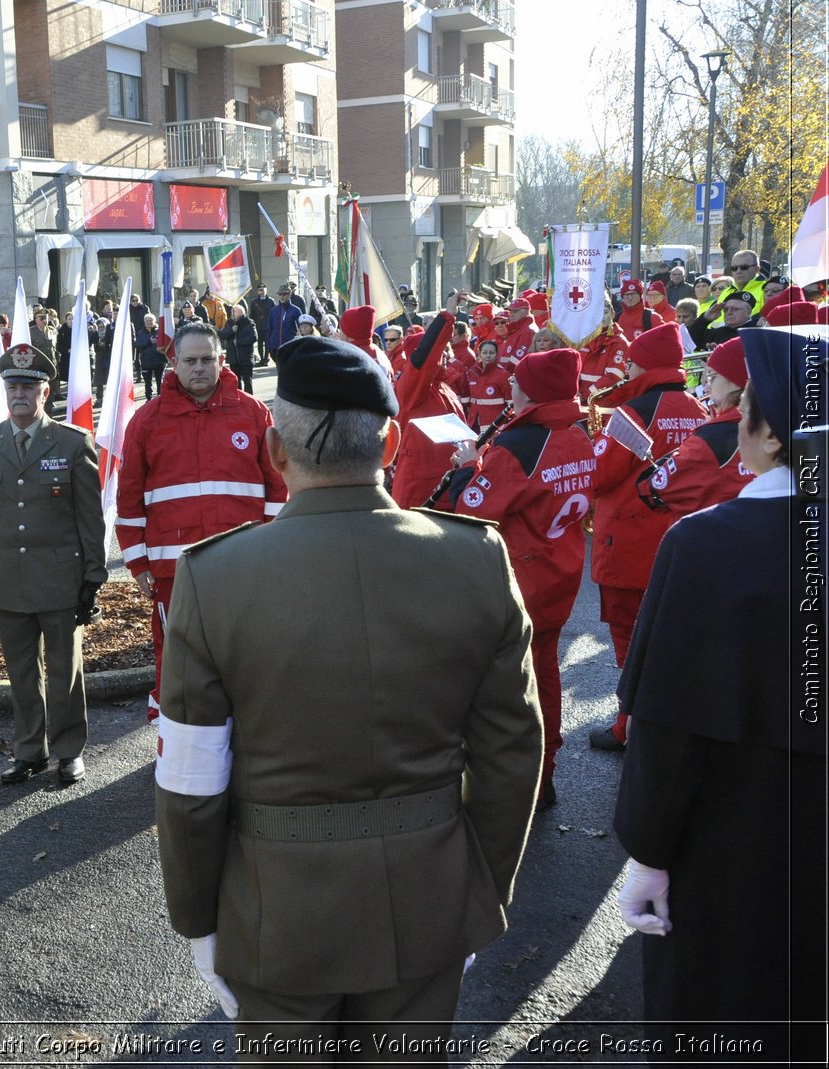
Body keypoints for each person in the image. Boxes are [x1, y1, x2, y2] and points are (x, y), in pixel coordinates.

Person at [156, 334, 542, 1056]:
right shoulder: (476, 559)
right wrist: (478, 892)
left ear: (274, 450)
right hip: (430, 899)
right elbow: (512, 755)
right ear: (391, 441)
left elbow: (189, 781)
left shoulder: (214, 578)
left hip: (274, 916)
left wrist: (199, 921)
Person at [612, 330, 825, 1062]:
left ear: (767, 432)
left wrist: (646, 852)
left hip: (732, 852)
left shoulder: (706, 543)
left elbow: (667, 727)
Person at [115, 320, 285, 723]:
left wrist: (272, 552)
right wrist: (139, 564)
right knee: (176, 657)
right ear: (173, 364)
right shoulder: (148, 419)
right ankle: (174, 741)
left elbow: (279, 489)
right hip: (175, 570)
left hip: (243, 566)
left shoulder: (253, 412)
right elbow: (129, 497)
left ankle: (248, 739)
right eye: (190, 360)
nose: (199, 368)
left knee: (246, 653)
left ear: (221, 360)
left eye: (208, 359)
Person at [448, 347, 594, 808]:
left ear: (529, 391)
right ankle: (545, 771)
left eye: (517, 380)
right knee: (545, 674)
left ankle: (508, 782)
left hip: (518, 582)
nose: (510, 384)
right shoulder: (579, 432)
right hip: (561, 575)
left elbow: (471, 510)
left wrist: (467, 466)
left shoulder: (521, 444)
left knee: (501, 686)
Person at [0, 343, 107, 786]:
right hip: (6, 578)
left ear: (45, 392)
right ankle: (30, 752)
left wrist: (93, 578)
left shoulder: (71, 442)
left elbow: (91, 519)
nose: (19, 394)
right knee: (22, 675)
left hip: (61, 580)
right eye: (13, 387)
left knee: (65, 671)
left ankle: (68, 751)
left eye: (28, 386)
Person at [586, 322, 708, 753]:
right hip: (679, 537)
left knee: (629, 641)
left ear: (647, 366)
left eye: (633, 363)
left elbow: (599, 475)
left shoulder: (634, 412)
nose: (627, 369)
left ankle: (628, 727)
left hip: (630, 541)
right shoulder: (696, 405)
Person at [636, 336, 755, 518]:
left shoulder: (713, 437)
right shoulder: (776, 423)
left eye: (712, 377)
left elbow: (652, 490)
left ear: (737, 382)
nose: (706, 387)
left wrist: (674, 455)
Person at [389, 291, 473, 508]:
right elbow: (425, 359)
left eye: (446, 350)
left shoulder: (446, 388)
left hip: (449, 483)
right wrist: (448, 316)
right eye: (440, 352)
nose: (445, 355)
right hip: (420, 489)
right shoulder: (411, 386)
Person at [579, 301, 630, 404]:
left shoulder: (619, 342)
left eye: (605, 312)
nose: (602, 317)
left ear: (613, 314)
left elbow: (613, 377)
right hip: (580, 402)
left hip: (603, 405)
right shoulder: (583, 339)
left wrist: (586, 395)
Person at [462, 338, 512, 431]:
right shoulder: (472, 372)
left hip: (494, 427)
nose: (488, 356)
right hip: (473, 424)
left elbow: (511, 403)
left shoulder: (503, 375)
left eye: (491, 353)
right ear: (479, 354)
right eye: (484, 353)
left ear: (497, 354)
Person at [689, 290, 757, 349]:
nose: (729, 312)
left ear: (748, 312)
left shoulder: (755, 333)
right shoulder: (719, 332)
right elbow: (690, 342)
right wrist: (704, 319)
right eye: (726, 309)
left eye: (735, 309)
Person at [219, 303, 258, 393]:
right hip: (233, 358)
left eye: (234, 312)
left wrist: (239, 342)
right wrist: (232, 330)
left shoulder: (249, 322)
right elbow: (222, 335)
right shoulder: (229, 322)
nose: (232, 313)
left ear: (240, 313)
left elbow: (253, 337)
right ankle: (239, 400)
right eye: (232, 311)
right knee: (236, 382)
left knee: (247, 382)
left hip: (245, 358)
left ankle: (249, 401)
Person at [135, 313, 168, 401]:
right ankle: (148, 400)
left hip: (159, 361)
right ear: (144, 322)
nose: (149, 322)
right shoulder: (140, 333)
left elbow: (166, 344)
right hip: (146, 362)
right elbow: (138, 345)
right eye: (147, 321)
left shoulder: (160, 331)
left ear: (155, 321)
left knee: (159, 382)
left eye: (151, 320)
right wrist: (149, 342)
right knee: (147, 383)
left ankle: (160, 399)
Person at [616, 280, 657, 344]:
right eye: (627, 294)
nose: (630, 298)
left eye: (633, 294)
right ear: (622, 297)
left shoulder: (652, 317)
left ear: (640, 296)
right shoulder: (617, 318)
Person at [264, 285, 301, 356]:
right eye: (280, 294)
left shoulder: (296, 310)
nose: (282, 296)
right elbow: (269, 329)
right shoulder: (273, 310)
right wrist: (268, 346)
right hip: (275, 347)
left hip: (289, 346)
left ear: (289, 294)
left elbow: (301, 329)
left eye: (284, 294)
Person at [248, 282, 275, 365]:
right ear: (258, 291)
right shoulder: (254, 302)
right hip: (258, 326)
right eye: (260, 290)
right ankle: (261, 359)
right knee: (259, 344)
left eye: (263, 290)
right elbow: (251, 315)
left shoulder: (271, 301)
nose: (262, 292)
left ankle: (266, 359)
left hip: (268, 326)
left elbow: (274, 314)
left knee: (267, 344)